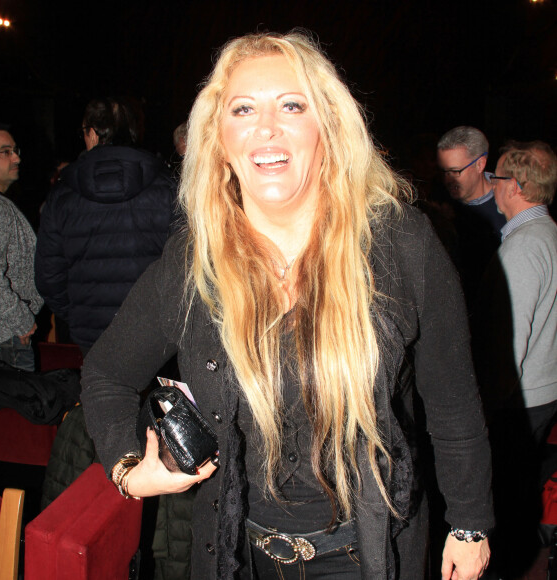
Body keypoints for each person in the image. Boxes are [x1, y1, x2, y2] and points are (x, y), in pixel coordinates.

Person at [81, 32, 493, 580]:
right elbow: (107, 373)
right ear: (219, 140)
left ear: (327, 128)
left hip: (368, 553)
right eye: (243, 108)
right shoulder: (193, 261)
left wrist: (469, 526)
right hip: (238, 554)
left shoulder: (402, 244)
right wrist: (130, 469)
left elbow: (453, 403)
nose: (266, 126)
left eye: (292, 105)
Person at [35, 97, 179, 355]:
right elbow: (187, 264)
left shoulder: (62, 194)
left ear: (91, 133)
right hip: (155, 330)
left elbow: (49, 275)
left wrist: (79, 313)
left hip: (91, 334)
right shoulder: (167, 186)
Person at [476, 141, 557, 576]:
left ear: (517, 186)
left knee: (507, 496)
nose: (491, 187)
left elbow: (510, 346)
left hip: (520, 400)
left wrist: (486, 408)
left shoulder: (524, 248)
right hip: (543, 391)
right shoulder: (549, 234)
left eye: (497, 178)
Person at [0, 123, 43, 371]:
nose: (16, 157)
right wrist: (22, 321)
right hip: (3, 339)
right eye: (5, 152)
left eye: (15, 150)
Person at [436, 126, 506, 312]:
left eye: (456, 171)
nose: (448, 179)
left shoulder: (510, 202)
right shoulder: (437, 205)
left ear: (480, 164)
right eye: (443, 172)